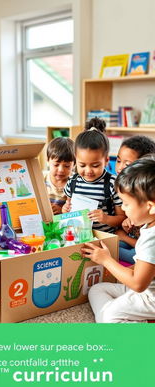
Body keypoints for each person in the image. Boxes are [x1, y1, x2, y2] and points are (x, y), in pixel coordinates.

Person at [82, 157, 155, 323]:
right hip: (146, 290)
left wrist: (106, 260)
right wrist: (128, 269)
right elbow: (147, 267)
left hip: (150, 298)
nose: (122, 208)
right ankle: (130, 318)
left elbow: (138, 284)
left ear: (150, 206)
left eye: (126, 204)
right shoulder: (149, 224)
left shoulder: (152, 238)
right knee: (97, 289)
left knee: (109, 315)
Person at [62, 117, 125, 233]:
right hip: (77, 235)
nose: (88, 170)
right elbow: (67, 207)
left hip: (104, 237)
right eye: (82, 165)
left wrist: (105, 218)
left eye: (95, 165)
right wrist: (65, 209)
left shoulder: (112, 183)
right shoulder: (73, 181)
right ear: (76, 160)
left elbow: (122, 218)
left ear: (106, 161)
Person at [115, 135, 155, 264]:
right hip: (134, 241)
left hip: (139, 247)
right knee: (116, 245)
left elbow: (144, 244)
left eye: (127, 164)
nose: (120, 168)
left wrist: (124, 237)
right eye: (118, 160)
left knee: (114, 249)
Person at [44, 137, 75, 215]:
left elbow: (78, 210)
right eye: (56, 164)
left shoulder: (76, 183)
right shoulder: (41, 179)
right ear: (48, 161)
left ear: (74, 164)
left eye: (67, 166)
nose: (61, 170)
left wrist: (62, 210)